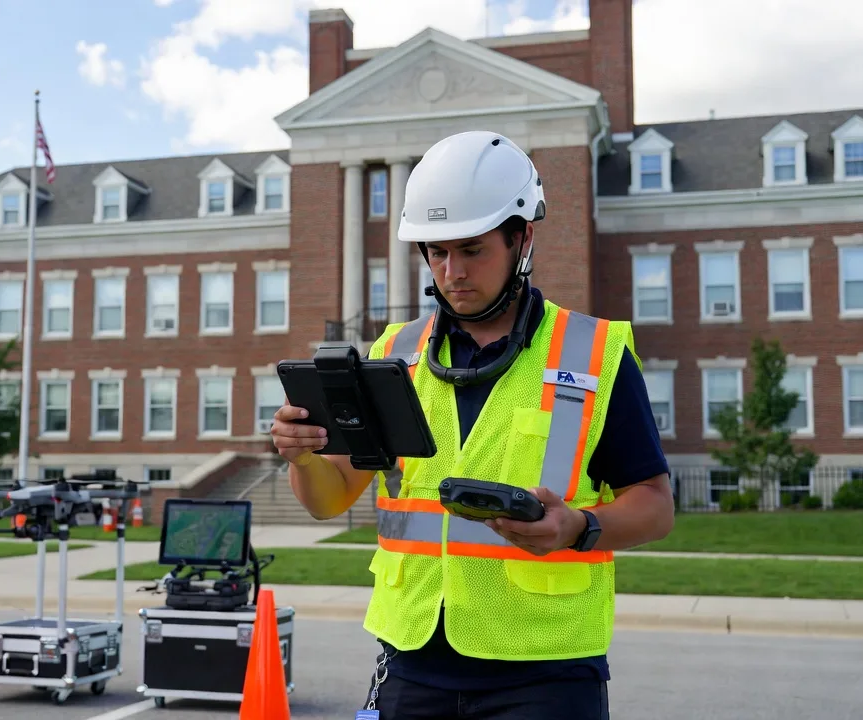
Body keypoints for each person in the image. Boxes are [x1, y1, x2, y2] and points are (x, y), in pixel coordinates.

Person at [270, 130, 676, 719]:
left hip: (545, 671)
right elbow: (329, 500)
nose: (451, 272)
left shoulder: (593, 354)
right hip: (410, 660)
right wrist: (302, 457)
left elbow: (655, 506)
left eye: (472, 249)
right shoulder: (397, 353)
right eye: (436, 252)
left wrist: (578, 526)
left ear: (522, 238)